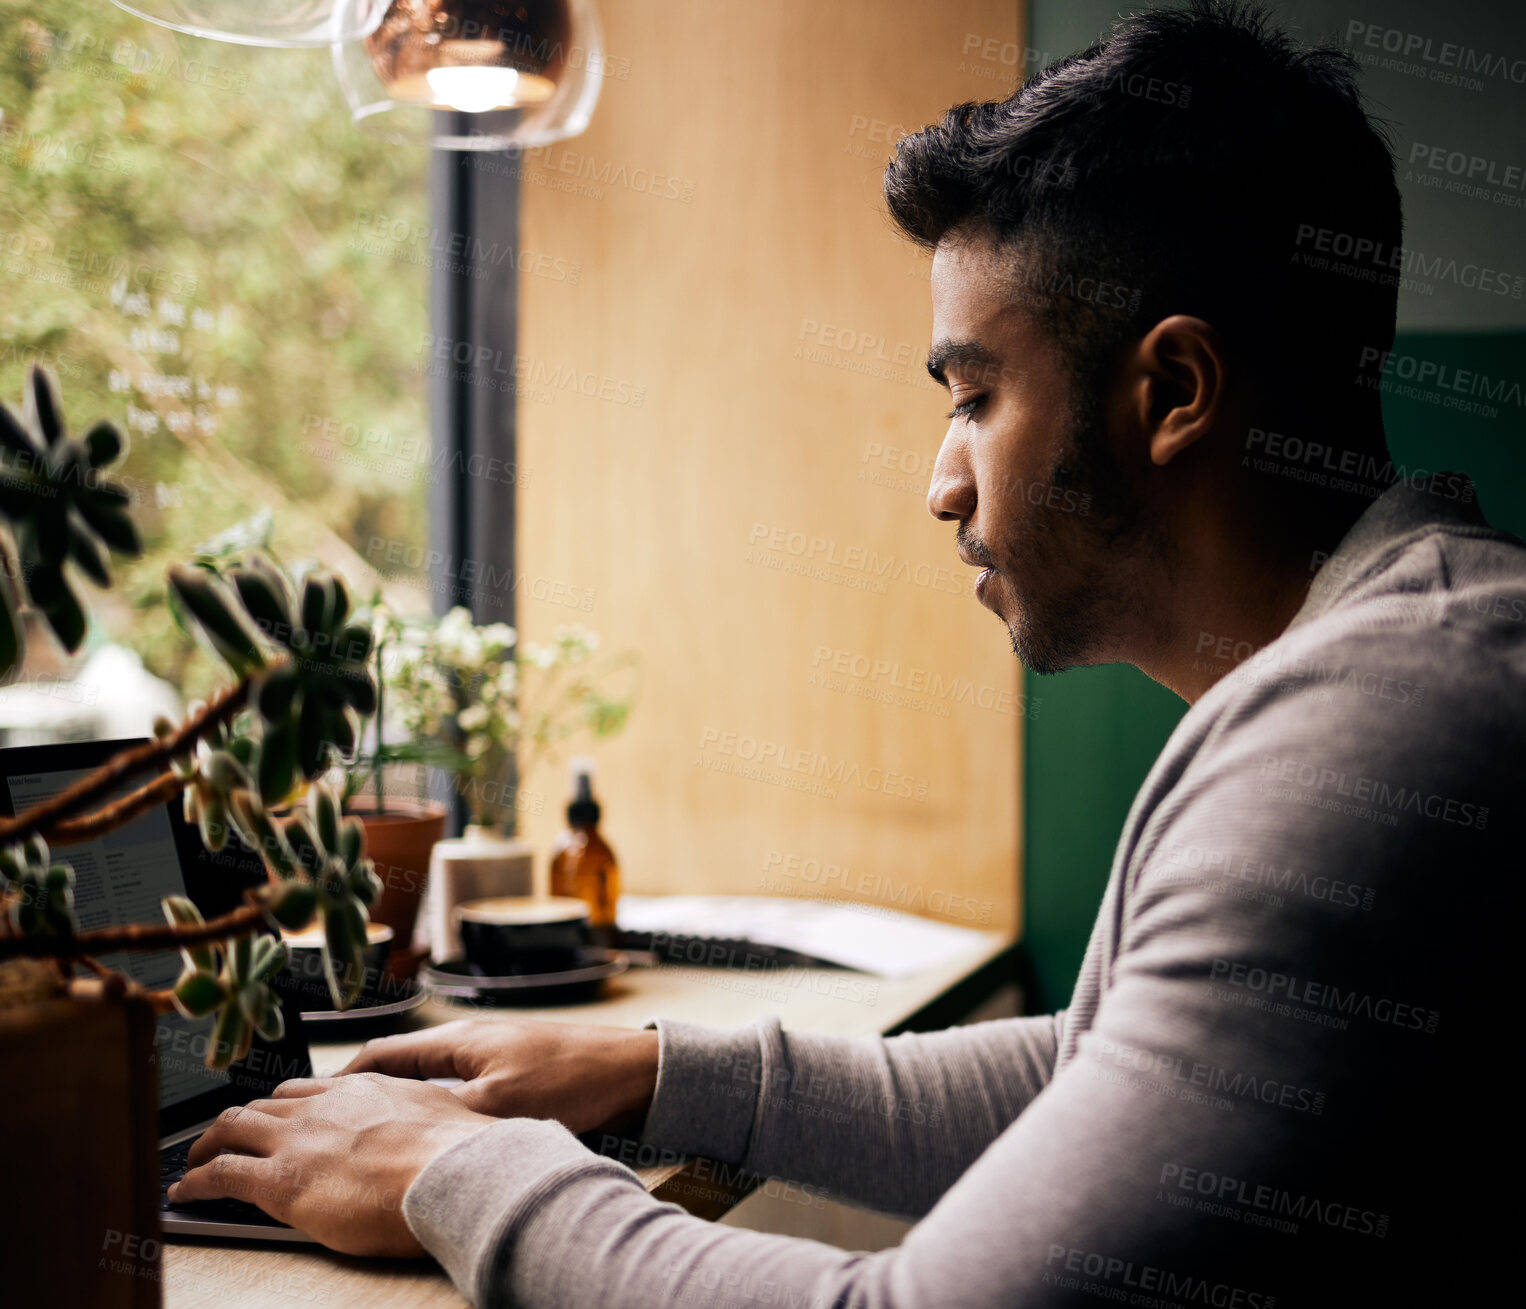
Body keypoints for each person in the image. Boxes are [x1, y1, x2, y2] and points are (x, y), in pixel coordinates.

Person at [170, 2, 1519, 1303]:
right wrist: (646, 1068)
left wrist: (464, 1176)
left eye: (977, 397)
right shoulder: (1389, 657)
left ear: (1170, 393)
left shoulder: (1367, 732)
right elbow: (1102, 1070)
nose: (940, 483)